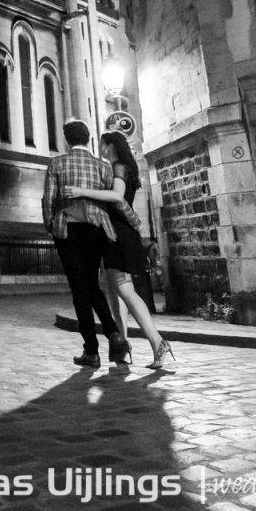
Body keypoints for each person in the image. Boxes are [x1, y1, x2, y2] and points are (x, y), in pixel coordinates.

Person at [64, 130, 176, 371]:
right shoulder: (123, 167)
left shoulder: (120, 167)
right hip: (114, 232)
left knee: (125, 290)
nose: (100, 149)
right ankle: (121, 347)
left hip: (120, 234)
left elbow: (116, 196)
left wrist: (81, 192)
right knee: (115, 291)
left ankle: (158, 342)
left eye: (102, 145)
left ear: (109, 145)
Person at [46, 119, 127, 368]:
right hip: (95, 230)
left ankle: (91, 350)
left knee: (79, 290)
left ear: (66, 140)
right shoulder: (102, 166)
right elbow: (111, 199)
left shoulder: (57, 163)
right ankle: (113, 334)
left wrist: (50, 224)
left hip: (68, 229)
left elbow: (48, 199)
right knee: (92, 284)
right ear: (88, 138)